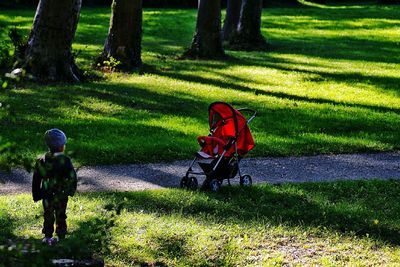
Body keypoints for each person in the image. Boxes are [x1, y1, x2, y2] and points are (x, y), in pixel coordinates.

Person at [32, 129, 77, 245]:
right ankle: (61, 236)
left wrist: (36, 194)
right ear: (62, 146)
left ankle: (48, 236)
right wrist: (70, 190)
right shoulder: (65, 160)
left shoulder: (41, 161)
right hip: (61, 193)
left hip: (47, 194)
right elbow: (72, 177)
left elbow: (36, 179)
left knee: (48, 214)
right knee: (61, 214)